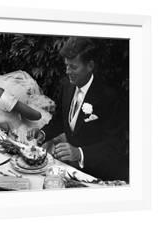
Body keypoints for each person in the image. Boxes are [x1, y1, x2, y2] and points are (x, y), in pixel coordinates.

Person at [28, 37, 128, 181]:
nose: (68, 71)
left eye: (73, 67)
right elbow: (60, 120)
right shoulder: (66, 85)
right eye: (66, 66)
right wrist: (43, 133)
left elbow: (115, 145)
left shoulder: (110, 97)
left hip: (101, 174)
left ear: (90, 66)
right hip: (72, 170)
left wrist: (80, 153)